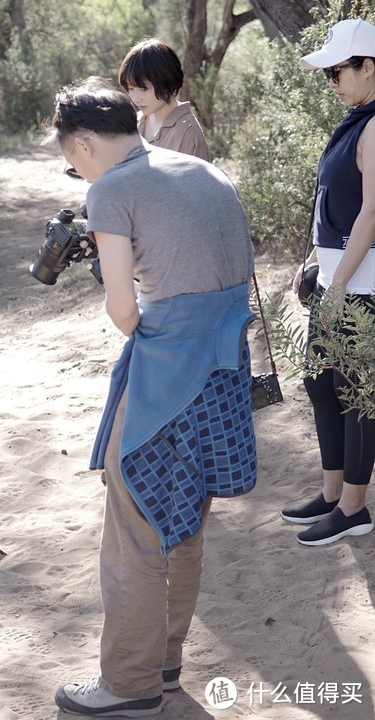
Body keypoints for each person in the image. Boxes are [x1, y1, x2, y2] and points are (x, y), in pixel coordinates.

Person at [45, 78, 256, 716]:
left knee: (134, 529)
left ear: (82, 144)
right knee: (184, 522)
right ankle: (163, 666)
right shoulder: (201, 169)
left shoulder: (111, 189)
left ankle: (128, 687)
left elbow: (125, 315)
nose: (74, 172)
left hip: (167, 377)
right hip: (225, 374)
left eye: (68, 160)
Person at [281, 18, 375, 546]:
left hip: (363, 282)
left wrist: (337, 284)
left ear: (370, 67)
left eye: (339, 70)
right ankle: (333, 492)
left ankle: (355, 507)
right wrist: (311, 258)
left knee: (358, 391)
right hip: (339, 272)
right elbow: (330, 205)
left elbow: (371, 213)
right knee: (320, 382)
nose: (333, 81)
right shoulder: (356, 119)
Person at [118, 38, 210, 161]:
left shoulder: (188, 132)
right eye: (130, 88)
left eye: (143, 89)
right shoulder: (136, 122)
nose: (136, 98)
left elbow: (199, 179)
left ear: (166, 81)